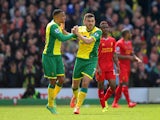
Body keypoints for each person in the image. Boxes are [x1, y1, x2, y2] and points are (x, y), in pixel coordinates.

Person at [42, 9, 75, 114]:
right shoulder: (52, 26)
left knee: (61, 79)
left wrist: (75, 35)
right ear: (56, 17)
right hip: (49, 56)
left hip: (57, 56)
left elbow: (65, 34)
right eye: (63, 16)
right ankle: (51, 104)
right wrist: (74, 34)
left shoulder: (59, 25)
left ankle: (51, 99)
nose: (64, 18)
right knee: (52, 80)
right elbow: (61, 38)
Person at [70, 13, 102, 114]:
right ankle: (75, 97)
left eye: (92, 21)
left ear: (95, 22)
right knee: (75, 85)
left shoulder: (98, 31)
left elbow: (88, 41)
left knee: (85, 83)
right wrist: (65, 31)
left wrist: (77, 34)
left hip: (91, 60)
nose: (90, 23)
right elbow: (70, 37)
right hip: (79, 59)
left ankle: (77, 107)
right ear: (84, 22)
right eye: (88, 21)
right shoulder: (80, 29)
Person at [112, 28, 142, 108]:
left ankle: (115, 103)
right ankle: (129, 102)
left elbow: (132, 53)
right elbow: (117, 56)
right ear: (125, 34)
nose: (131, 34)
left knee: (121, 84)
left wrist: (137, 58)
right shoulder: (119, 43)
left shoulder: (129, 42)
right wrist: (129, 58)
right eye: (129, 33)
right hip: (121, 66)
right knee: (125, 83)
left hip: (128, 66)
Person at [95, 21, 120, 112]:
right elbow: (95, 56)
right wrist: (97, 67)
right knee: (101, 86)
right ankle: (103, 106)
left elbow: (114, 53)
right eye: (104, 28)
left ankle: (104, 100)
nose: (106, 29)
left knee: (113, 86)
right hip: (101, 67)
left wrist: (117, 65)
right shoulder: (98, 41)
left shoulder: (112, 40)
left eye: (107, 27)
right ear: (100, 30)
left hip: (110, 67)